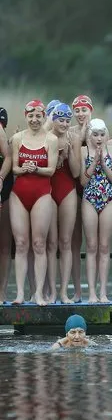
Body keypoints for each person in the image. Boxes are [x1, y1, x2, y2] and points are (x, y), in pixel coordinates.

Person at [9, 100, 58, 306]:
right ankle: (20, 293)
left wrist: (35, 168)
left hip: (42, 193)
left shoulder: (51, 139)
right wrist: (24, 168)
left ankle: (38, 292)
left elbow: (51, 170)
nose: (35, 120)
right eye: (31, 116)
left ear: (44, 116)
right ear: (26, 116)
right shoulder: (18, 138)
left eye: (38, 116)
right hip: (19, 194)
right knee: (21, 244)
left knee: (39, 244)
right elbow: (14, 168)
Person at [81, 119, 112, 303]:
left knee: (104, 247)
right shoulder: (83, 151)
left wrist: (103, 164)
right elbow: (82, 182)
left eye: (102, 134)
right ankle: (92, 293)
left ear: (106, 135)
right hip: (89, 198)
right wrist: (94, 162)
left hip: (108, 199)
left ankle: (103, 292)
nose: (98, 138)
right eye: (95, 135)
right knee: (91, 247)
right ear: (89, 135)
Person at [46, 103, 81, 303]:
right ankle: (51, 291)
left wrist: (69, 154)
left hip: (68, 188)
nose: (65, 124)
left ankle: (63, 292)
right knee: (51, 243)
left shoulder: (73, 139)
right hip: (49, 189)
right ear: (53, 119)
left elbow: (76, 173)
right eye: (61, 120)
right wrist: (56, 155)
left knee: (65, 242)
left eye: (68, 121)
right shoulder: (47, 137)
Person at [69, 94, 94, 301]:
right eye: (76, 110)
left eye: (84, 110)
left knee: (95, 244)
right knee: (75, 243)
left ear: (91, 111)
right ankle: (77, 290)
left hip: (94, 191)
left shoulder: (99, 130)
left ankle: (95, 291)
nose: (80, 114)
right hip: (74, 189)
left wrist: (87, 134)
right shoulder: (69, 132)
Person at [0, 107, 13, 302]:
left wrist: (1, 177)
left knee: (4, 244)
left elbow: (9, 156)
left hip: (4, 186)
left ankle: (1, 291)